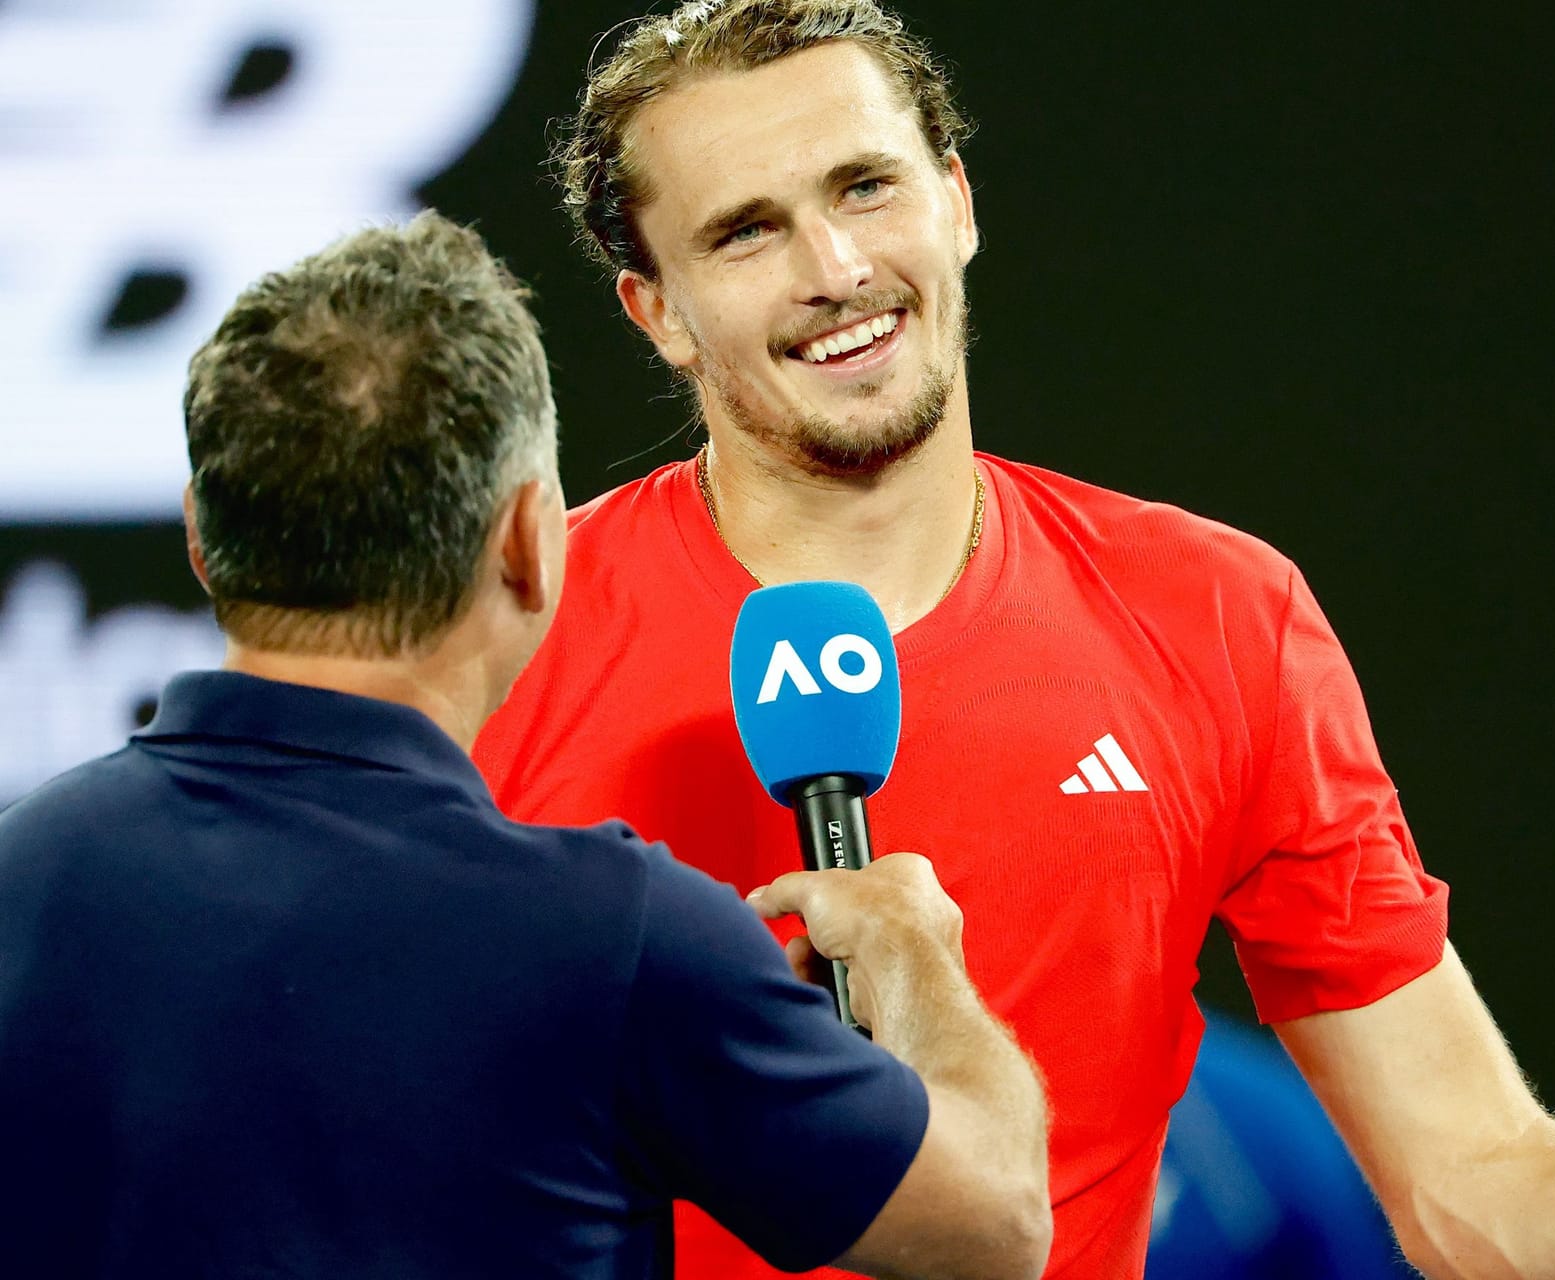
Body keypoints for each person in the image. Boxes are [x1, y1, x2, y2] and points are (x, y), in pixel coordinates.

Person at [473, 3, 1555, 1279]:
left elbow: (1478, 1182)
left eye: (866, 188)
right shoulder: (494, 639)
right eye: (747, 230)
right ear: (654, 313)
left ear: (958, 201)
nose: (836, 266)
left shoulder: (1213, 614)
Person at [0, 211, 1051, 1280]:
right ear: (527, 541)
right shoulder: (620, 935)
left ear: (201, 535)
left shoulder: (17, 876)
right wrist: (914, 952)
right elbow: (996, 1224)